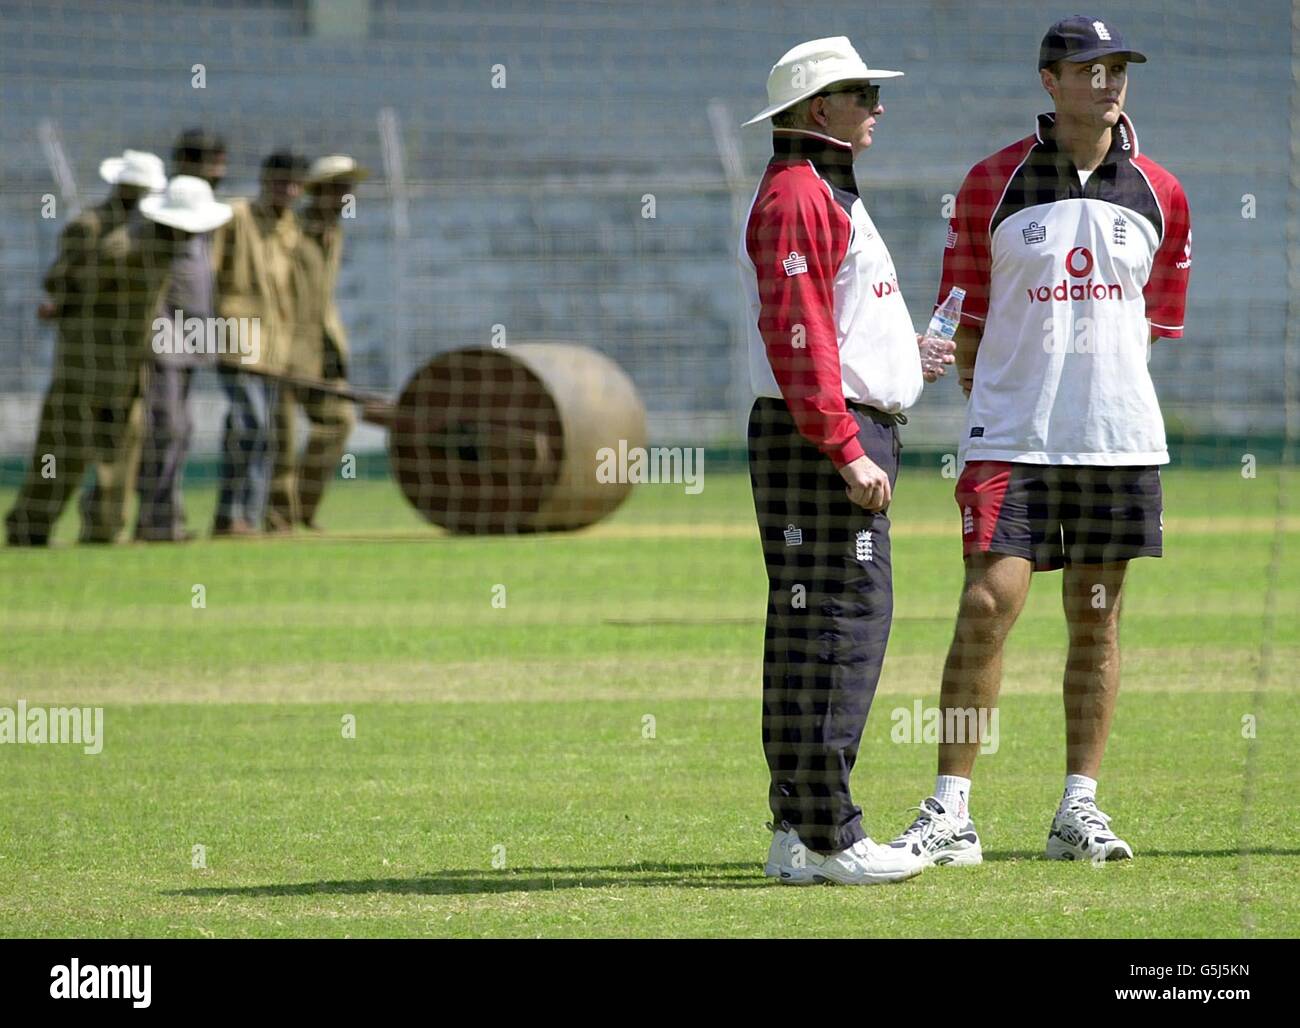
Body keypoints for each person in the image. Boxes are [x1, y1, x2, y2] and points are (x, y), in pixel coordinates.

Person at [890, 17, 1191, 864]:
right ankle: (951, 808)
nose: (1109, 82)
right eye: (1090, 68)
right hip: (1011, 438)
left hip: (1118, 443)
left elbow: (1153, 327)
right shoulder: (991, 182)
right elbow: (965, 320)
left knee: (1095, 622)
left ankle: (1078, 810)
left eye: (1119, 68)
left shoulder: (1163, 192)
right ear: (1049, 81)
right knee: (986, 607)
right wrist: (1002, 393)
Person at [740, 37, 954, 885]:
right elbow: (794, 331)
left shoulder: (816, 186)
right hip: (825, 437)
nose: (877, 105)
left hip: (823, 426)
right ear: (815, 107)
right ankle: (833, 834)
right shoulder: (801, 191)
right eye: (862, 91)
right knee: (843, 623)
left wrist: (901, 354)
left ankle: (798, 830)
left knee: (806, 625)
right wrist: (843, 448)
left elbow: (827, 322)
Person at [5, 150, 167, 546]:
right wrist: (111, 257)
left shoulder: (155, 233)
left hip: (129, 365)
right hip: (84, 364)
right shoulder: (89, 228)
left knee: (122, 454)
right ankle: (29, 529)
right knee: (62, 451)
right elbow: (59, 282)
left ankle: (105, 531)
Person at [134, 128, 228, 542]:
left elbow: (200, 294)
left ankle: (165, 517)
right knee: (164, 427)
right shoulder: (149, 239)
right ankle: (151, 519)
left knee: (181, 429)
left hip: (191, 343)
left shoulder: (202, 234)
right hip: (161, 347)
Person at [208, 151, 307, 537]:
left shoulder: (290, 229)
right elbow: (211, 273)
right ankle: (231, 514)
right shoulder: (236, 217)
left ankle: (247, 516)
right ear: (265, 181)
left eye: (295, 184)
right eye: (282, 182)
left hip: (275, 347)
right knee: (249, 425)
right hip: (239, 339)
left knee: (265, 432)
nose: (289, 191)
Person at [265, 154, 365, 531]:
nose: (346, 197)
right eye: (339, 189)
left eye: (349, 189)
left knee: (339, 421)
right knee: (283, 440)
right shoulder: (290, 231)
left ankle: (302, 508)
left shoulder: (334, 233)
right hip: (283, 348)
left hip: (322, 351)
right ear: (317, 192)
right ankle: (278, 519)